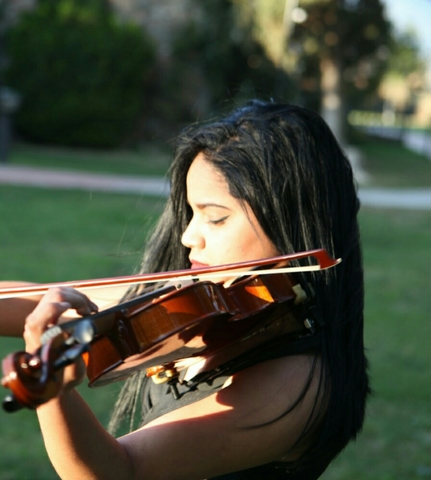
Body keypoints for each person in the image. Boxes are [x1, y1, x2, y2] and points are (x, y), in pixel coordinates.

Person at [0, 100, 369, 479]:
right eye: (191, 214)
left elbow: (120, 472)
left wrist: (52, 392)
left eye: (216, 218)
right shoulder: (211, 305)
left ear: (289, 219)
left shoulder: (292, 385)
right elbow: (36, 299)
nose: (188, 236)